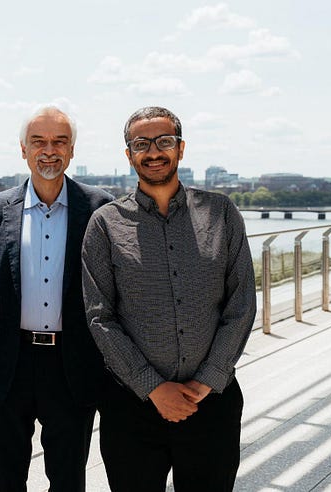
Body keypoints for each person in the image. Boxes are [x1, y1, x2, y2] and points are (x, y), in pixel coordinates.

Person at [81, 106, 256, 491]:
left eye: (164, 141)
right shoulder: (106, 224)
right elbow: (99, 316)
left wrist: (208, 381)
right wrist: (153, 387)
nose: (154, 151)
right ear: (128, 154)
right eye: (141, 144)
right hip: (132, 407)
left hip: (212, 403)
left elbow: (240, 305)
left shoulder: (221, 213)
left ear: (180, 148)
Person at [0, 106, 113, 491]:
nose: (48, 151)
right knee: (4, 478)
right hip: (8, 367)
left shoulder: (101, 209)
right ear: (23, 149)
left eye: (59, 142)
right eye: (39, 142)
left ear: (72, 150)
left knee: (68, 480)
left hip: (73, 366)